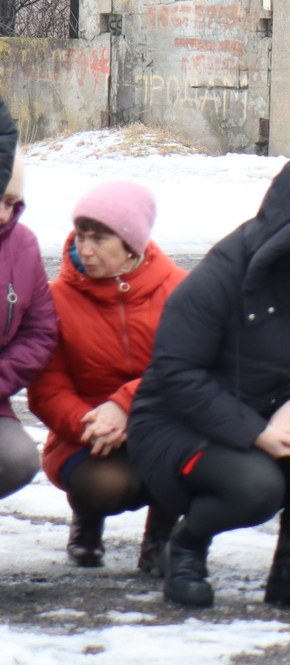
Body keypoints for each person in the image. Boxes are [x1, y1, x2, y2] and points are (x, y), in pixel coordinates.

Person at [126, 159, 290, 609]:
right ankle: (186, 547)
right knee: (257, 487)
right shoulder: (222, 273)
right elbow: (176, 373)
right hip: (179, 424)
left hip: (273, 410)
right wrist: (254, 432)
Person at [30, 182, 185, 570]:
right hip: (89, 432)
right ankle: (88, 519)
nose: (85, 249)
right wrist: (90, 425)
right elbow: (48, 387)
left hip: (165, 424)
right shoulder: (55, 298)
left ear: (131, 243)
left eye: (99, 239)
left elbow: (189, 369)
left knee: (194, 464)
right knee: (102, 486)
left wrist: (128, 407)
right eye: (81, 236)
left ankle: (160, 538)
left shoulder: (180, 290)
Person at [0, 151, 56, 503]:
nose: (2, 214)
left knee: (16, 458)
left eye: (10, 202)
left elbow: (40, 330)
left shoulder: (23, 245)